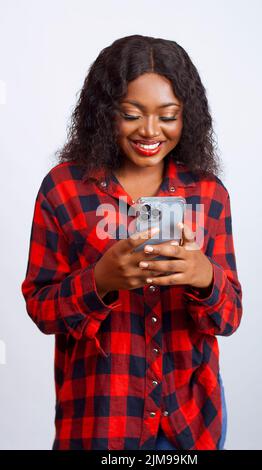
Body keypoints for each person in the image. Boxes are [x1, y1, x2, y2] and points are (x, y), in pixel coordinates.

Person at [21, 34, 242, 451]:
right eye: (131, 114)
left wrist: (204, 277)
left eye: (168, 115)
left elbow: (229, 318)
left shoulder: (210, 195)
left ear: (187, 117)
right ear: (105, 113)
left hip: (191, 424)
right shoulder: (65, 189)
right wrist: (99, 281)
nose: (150, 130)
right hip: (101, 421)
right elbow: (40, 308)